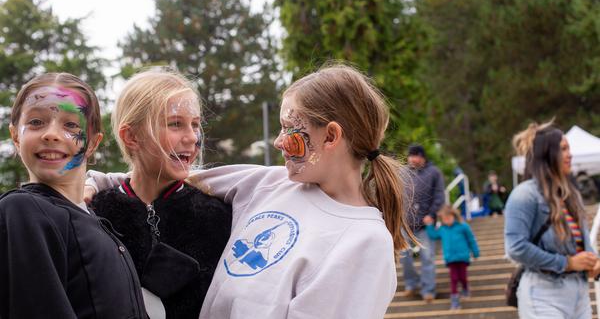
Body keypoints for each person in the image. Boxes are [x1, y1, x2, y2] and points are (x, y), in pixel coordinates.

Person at [86, 64, 417, 318]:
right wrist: (91, 184)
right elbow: (157, 173)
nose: (277, 141)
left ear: (330, 137)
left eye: (289, 129)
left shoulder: (364, 241)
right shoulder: (270, 184)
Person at [86, 69, 232, 319]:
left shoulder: (218, 215)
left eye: (195, 124)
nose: (192, 138)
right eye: (175, 124)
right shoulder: (95, 216)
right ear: (131, 136)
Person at [0, 73, 147, 318]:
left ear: (92, 142)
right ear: (16, 136)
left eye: (71, 125)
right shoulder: (22, 211)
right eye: (36, 122)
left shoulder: (95, 220)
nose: (51, 134)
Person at [505, 121, 600, 318]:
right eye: (563, 149)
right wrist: (567, 263)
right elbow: (515, 247)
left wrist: (592, 261)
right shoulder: (524, 194)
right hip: (543, 293)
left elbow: (582, 241)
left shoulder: (572, 194)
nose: (570, 154)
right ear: (548, 154)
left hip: (579, 293)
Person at [399, 144, 445, 302]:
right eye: (410, 155)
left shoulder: (434, 172)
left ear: (422, 157)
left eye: (415, 155)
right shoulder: (402, 172)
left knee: (427, 257)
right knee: (404, 257)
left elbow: (439, 195)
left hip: (425, 224)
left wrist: (431, 214)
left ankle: (428, 289)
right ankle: (411, 284)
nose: (412, 158)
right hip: (405, 224)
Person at [424, 205, 479, 310]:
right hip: (450, 258)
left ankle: (465, 289)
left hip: (463, 257)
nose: (447, 220)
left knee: (462, 277)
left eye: (448, 218)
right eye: (444, 219)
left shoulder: (463, 226)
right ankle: (455, 301)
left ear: (454, 216)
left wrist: (475, 252)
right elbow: (433, 235)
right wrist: (429, 225)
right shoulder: (442, 229)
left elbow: (471, 239)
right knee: (454, 279)